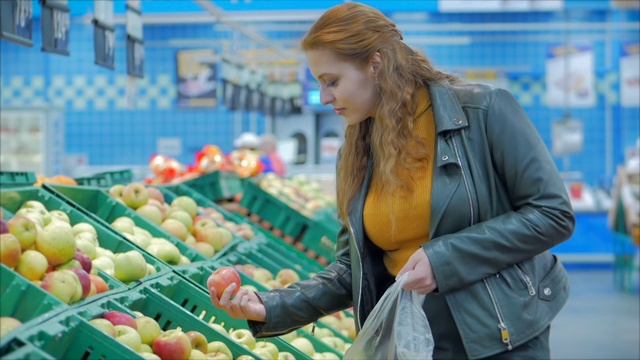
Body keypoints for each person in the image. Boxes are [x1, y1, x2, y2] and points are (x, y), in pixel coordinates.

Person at [210, 3, 575, 359]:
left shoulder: (481, 112)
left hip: (496, 334)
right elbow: (352, 271)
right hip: (411, 337)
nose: (323, 97)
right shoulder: (355, 153)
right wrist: (271, 306)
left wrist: (445, 258)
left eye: (331, 81)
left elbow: (552, 213)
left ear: (375, 63)